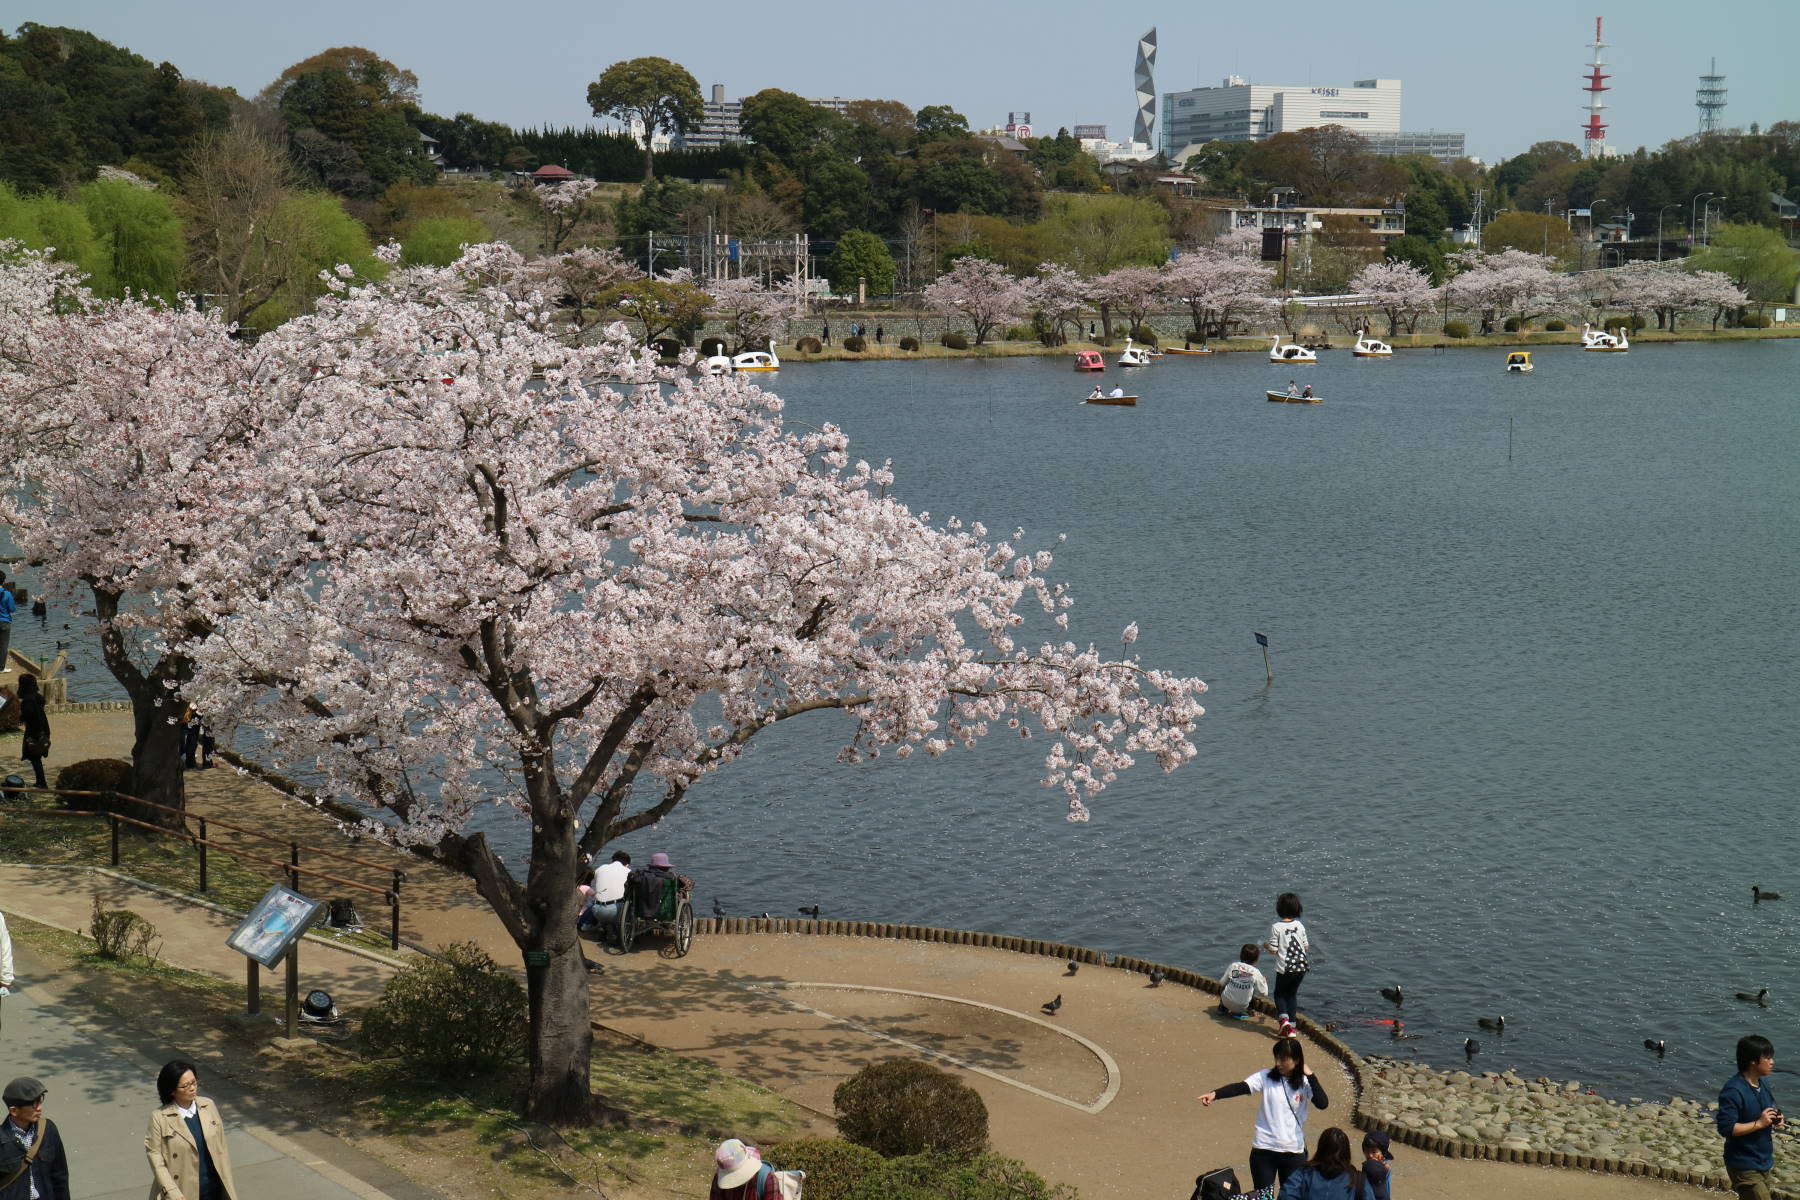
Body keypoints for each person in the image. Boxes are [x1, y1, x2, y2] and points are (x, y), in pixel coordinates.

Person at [1197, 1036, 1329, 1192]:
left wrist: (1311, 1076)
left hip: (1293, 1151)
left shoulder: (1304, 1082)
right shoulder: (1265, 1077)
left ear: (1297, 1060)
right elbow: (1241, 1087)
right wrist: (1215, 1094)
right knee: (1262, 1197)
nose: (1278, 1063)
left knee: (1291, 1196)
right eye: (1277, 1058)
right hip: (1264, 1150)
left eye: (1284, 1059)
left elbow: (1322, 1103)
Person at [146, 1059, 238, 1200]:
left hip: (215, 1190)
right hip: (182, 1193)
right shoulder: (159, 1118)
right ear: (172, 1090)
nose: (192, 1088)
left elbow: (221, 1149)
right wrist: (172, 1193)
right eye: (185, 1085)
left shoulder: (208, 1106)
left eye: (194, 1082)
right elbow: (156, 1160)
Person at [1719, 1034, 1782, 1199]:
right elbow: (1726, 1128)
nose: (1772, 1061)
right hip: (1743, 1163)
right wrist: (1760, 1123)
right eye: (1767, 1058)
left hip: (1763, 1161)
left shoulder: (1763, 1083)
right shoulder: (1733, 1090)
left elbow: (1768, 1108)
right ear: (1753, 1061)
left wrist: (1776, 1118)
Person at [0, 1077, 68, 1200]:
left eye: (40, 1101)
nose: (39, 1108)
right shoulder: (2, 1141)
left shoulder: (48, 1130)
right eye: (33, 1104)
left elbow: (60, 1177)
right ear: (14, 1111)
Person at [1276, 1127, 1369, 1199]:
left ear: (1321, 1150)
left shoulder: (1304, 1173)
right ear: (1346, 1152)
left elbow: (1285, 1195)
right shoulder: (1358, 1181)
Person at [1265, 892, 1310, 1037]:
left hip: (1285, 968)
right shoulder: (1299, 925)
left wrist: (1265, 946)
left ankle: (1284, 1021)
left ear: (1279, 909)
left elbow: (1273, 950)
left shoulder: (1276, 927)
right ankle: (1292, 1027)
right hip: (1301, 966)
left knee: (1279, 994)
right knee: (1291, 995)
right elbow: (1306, 947)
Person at [580, 851, 632, 932]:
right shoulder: (628, 872)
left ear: (612, 860)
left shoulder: (599, 869)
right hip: (616, 911)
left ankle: (599, 924)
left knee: (598, 899)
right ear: (627, 864)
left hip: (597, 911)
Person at [1218, 942, 1269, 1019]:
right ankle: (1240, 1012)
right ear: (1256, 960)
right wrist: (1264, 982)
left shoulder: (1234, 965)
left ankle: (1222, 1008)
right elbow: (1264, 993)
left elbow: (1221, 982)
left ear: (1241, 956)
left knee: (1227, 982)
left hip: (1226, 1001)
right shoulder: (1255, 972)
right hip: (1242, 1005)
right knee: (1252, 987)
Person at [16, 674, 49, 790]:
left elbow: (31, 716)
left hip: (35, 731)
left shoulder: (28, 700)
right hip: (43, 729)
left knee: (35, 757)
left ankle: (42, 783)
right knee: (36, 757)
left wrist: (23, 718)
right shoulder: (37, 697)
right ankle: (40, 781)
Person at [1359, 1130, 1394, 1200]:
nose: (1370, 1155)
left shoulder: (1384, 1167)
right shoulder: (1368, 1164)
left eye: (1374, 1152)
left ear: (1383, 1153)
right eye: (1367, 1151)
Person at [181, 705, 216, 770]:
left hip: (197, 707)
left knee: (192, 735)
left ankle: (190, 763)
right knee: (209, 737)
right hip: (208, 708)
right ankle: (207, 763)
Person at [0, 573, 13, 668]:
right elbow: (12, 608)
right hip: (4, 621)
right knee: (3, 646)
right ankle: (1, 668)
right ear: (3, 581)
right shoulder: (7, 594)